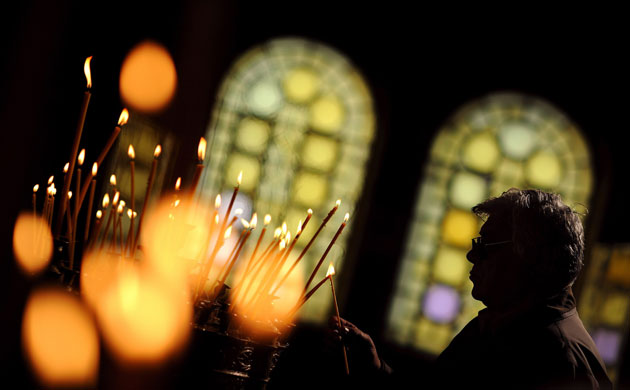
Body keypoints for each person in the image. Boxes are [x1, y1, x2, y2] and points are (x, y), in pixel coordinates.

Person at [331, 188, 612, 389]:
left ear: (530, 257)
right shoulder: (500, 324)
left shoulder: (559, 362)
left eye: (485, 246)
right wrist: (375, 369)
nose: (471, 256)